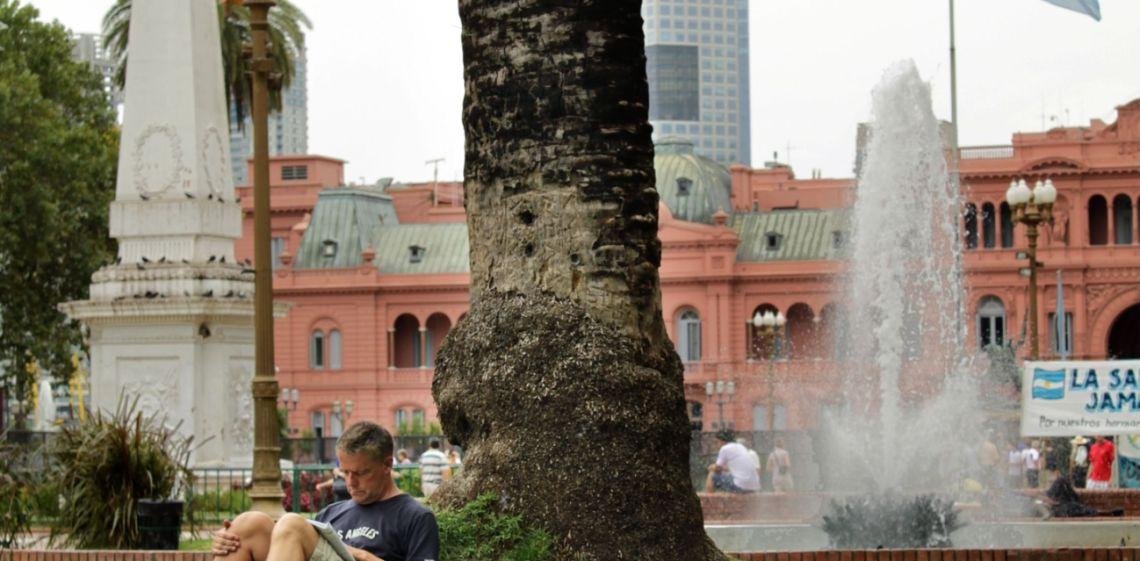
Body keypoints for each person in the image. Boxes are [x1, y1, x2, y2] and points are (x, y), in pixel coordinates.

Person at [212, 421, 439, 561]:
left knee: (292, 524)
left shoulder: (416, 517)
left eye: (361, 473)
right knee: (246, 525)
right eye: (345, 472)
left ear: (387, 465)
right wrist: (227, 543)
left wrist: (363, 556)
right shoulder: (331, 513)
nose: (351, 482)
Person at [704, 429, 761, 493]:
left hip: (740, 486)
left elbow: (717, 468)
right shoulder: (741, 447)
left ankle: (708, 499)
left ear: (722, 441)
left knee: (712, 474)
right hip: (753, 487)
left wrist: (712, 467)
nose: (716, 445)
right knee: (728, 477)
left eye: (716, 442)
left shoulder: (725, 448)